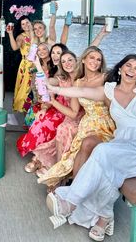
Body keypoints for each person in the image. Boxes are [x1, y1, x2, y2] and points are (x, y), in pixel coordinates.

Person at [45, 54, 136, 242]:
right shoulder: (109, 91)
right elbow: (82, 92)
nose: (132, 70)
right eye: (128, 65)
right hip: (121, 147)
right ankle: (104, 217)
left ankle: (71, 201)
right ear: (120, 68)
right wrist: (52, 88)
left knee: (102, 152)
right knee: (106, 166)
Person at [37, 46, 115, 190]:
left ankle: (75, 189)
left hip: (106, 123)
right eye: (92, 57)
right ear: (83, 60)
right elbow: (74, 111)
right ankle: (70, 185)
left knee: (82, 144)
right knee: (73, 152)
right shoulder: (78, 82)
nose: (95, 61)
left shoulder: (106, 78)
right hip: (87, 122)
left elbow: (115, 105)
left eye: (99, 59)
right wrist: (51, 99)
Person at [23, 51, 82, 180]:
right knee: (42, 119)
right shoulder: (62, 79)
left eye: (70, 60)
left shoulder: (81, 80)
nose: (67, 63)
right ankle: (41, 160)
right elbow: (47, 81)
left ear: (77, 61)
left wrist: (53, 102)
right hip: (66, 112)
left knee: (63, 129)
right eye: (63, 61)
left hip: (78, 116)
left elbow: (74, 113)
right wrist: (37, 64)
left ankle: (57, 169)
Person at [7, 15, 34, 112]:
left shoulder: (37, 33)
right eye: (23, 24)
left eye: (27, 22)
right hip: (26, 65)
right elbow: (15, 47)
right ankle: (25, 114)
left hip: (39, 64)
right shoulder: (21, 36)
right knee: (26, 89)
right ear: (21, 26)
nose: (26, 25)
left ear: (31, 23)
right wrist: (10, 34)